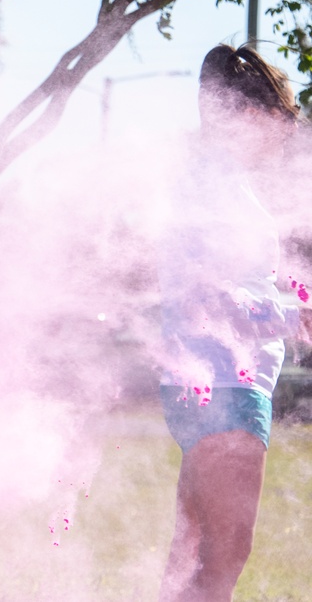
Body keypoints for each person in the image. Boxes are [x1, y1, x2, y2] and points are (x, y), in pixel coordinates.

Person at [157, 44, 311, 602]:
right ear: (250, 114)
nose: (285, 135)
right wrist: (294, 314)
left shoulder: (219, 181)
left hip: (209, 379)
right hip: (225, 383)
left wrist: (293, 299)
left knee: (193, 554)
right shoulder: (213, 185)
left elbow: (232, 278)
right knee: (223, 557)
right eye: (282, 118)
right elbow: (205, 293)